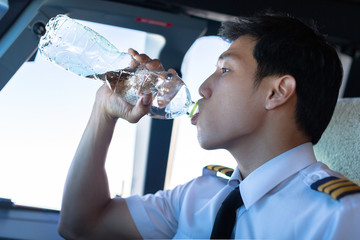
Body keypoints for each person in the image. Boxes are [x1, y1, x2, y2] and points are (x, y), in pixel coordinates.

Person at [58, 12, 360, 239]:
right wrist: (104, 110)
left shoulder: (340, 216)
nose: (202, 88)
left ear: (276, 92)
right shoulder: (197, 195)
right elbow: (81, 225)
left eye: (225, 69)